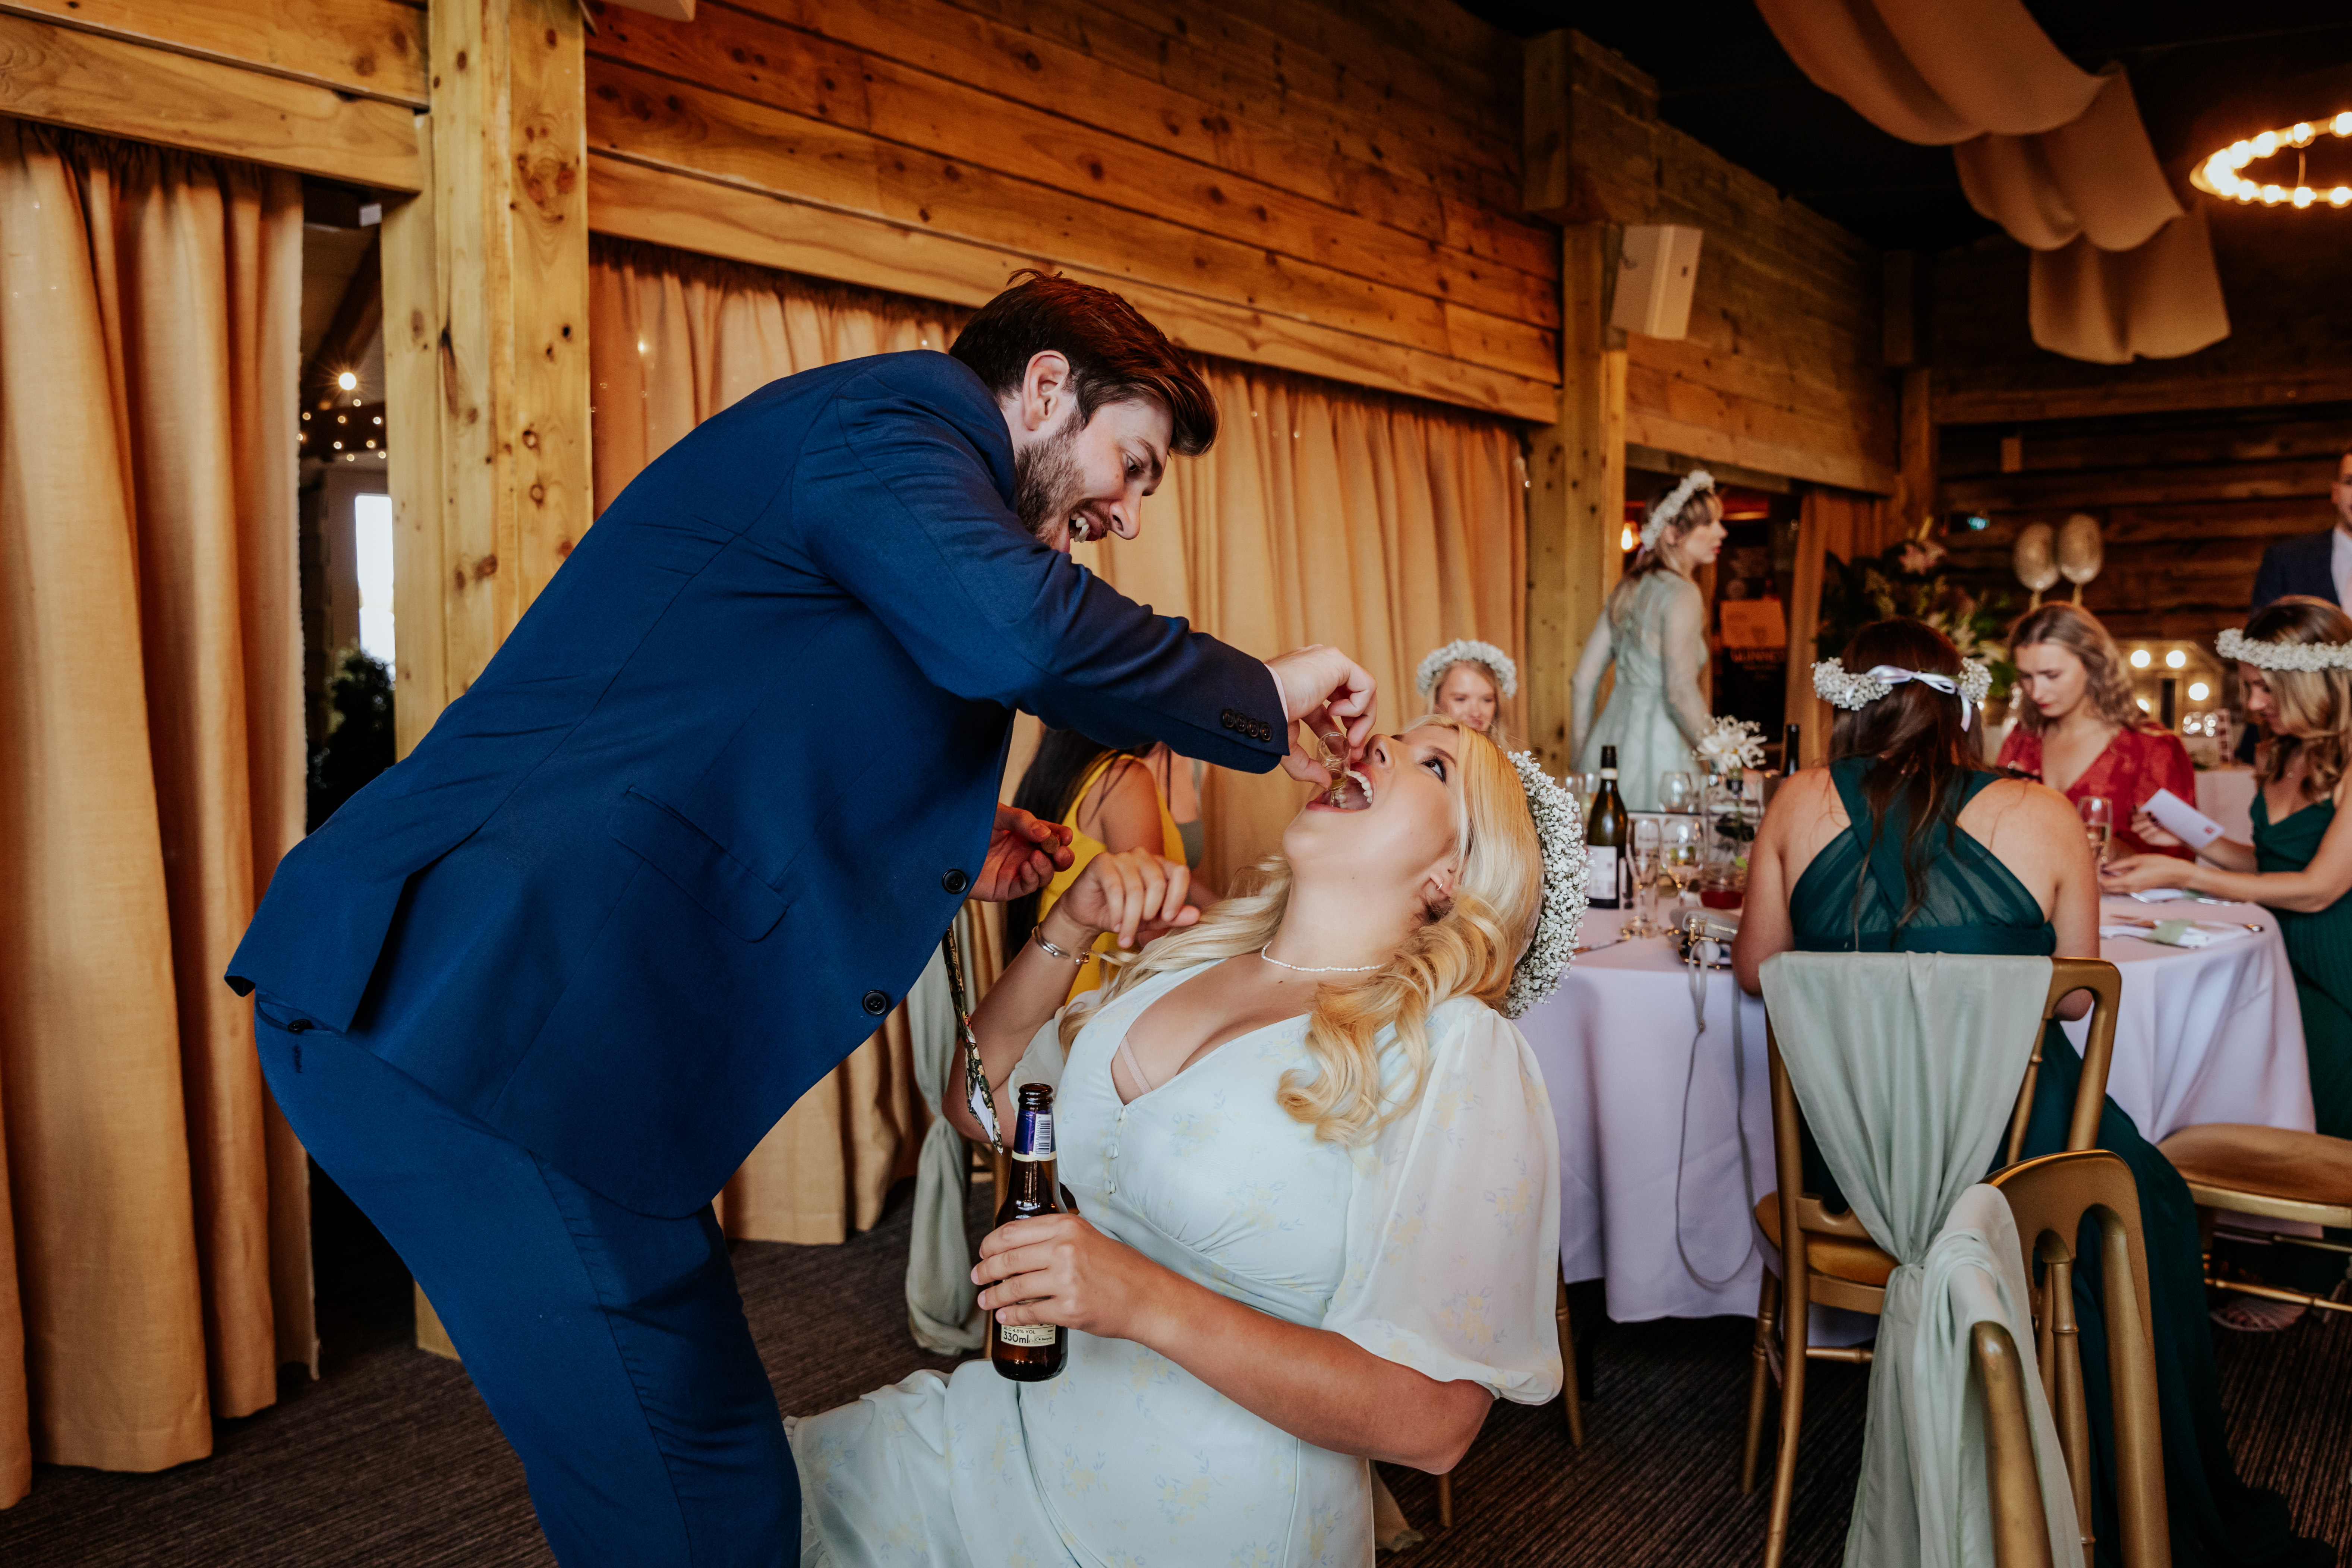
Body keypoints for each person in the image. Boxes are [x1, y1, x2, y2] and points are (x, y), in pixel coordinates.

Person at [225, 271, 1385, 1568]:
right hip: (464, 1014)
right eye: (1132, 464)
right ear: (1048, 385)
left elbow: (758, 725)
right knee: (699, 1487)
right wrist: (1258, 690)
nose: (1123, 510)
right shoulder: (892, 425)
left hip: (524, 1031)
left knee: (686, 1470)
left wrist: (951, 846)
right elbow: (1013, 631)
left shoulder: (891, 472)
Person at [790, 714, 1576, 1568]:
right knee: (729, 1488)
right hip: (1006, 1425)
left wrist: (1141, 1298)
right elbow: (978, 1106)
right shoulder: (1189, 958)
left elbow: (1435, 1426)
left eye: (1433, 764)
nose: (1378, 745)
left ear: (1449, 876)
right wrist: (1073, 925)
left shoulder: (1455, 1047)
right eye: (1388, 736)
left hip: (1201, 1523)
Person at [1733, 618, 2326, 1568]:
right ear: (1964, 706)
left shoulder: (1795, 801)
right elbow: (2081, 990)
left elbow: (1759, 971)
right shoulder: (2042, 811)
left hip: (1860, 1159)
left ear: (1843, 704)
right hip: (2011, 1157)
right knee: (2149, 1205)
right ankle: (2109, 1476)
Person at [2102, 598, 2352, 1148]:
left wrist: (2180, 873)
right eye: (2247, 686)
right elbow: (2270, 863)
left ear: (2317, 683)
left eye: (2267, 688)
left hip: (2335, 967)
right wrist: (2187, 836)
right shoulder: (2278, 752)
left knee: (2325, 1123)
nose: (2253, 703)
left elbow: (2315, 888)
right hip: (2271, 948)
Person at [1005, 727, 1216, 995]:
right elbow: (1151, 933)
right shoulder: (1125, 779)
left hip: (1051, 985)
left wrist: (1232, 910)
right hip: (1103, 996)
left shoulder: (1065, 769)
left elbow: (1174, 881)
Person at [1997, 601, 2197, 860]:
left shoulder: (2152, 749)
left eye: (2052, 675)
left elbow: (2179, 862)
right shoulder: (2024, 738)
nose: (2036, 692)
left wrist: (2109, 849)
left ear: (2093, 665)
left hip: (2122, 899)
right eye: (2026, 676)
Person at [1572, 469, 1724, 810]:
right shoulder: (1683, 593)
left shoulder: (1628, 589)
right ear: (1673, 534)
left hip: (1609, 743)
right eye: (1709, 524)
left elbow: (1583, 680)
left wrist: (1582, 761)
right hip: (1661, 751)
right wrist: (1725, 757)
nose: (1721, 532)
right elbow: (1680, 691)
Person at [2233, 443, 2347, 761]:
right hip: (2296, 728)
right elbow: (2259, 644)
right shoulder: (2288, 559)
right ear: (2335, 491)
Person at [1416, 638, 1516, 735]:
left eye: (1487, 700)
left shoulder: (1504, 751)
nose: (1476, 713)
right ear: (1436, 702)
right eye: (1461, 699)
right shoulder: (1411, 750)